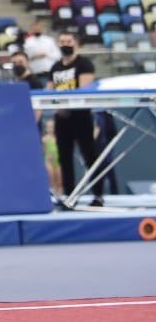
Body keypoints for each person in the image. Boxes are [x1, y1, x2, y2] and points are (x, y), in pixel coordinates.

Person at [48, 30, 103, 207]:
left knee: (89, 155)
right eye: (62, 41)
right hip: (61, 119)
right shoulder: (55, 67)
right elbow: (49, 91)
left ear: (76, 43)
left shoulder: (84, 64)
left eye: (69, 41)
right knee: (64, 157)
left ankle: (98, 195)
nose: (66, 44)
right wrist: (57, 107)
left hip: (80, 117)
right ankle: (70, 195)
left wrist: (65, 105)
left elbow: (84, 91)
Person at [11, 50, 59, 194]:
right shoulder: (15, 83)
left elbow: (38, 109)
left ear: (27, 63)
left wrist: (30, 127)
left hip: (30, 128)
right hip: (17, 128)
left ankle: (46, 189)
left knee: (37, 160)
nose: (17, 65)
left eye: (20, 62)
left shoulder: (34, 82)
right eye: (14, 63)